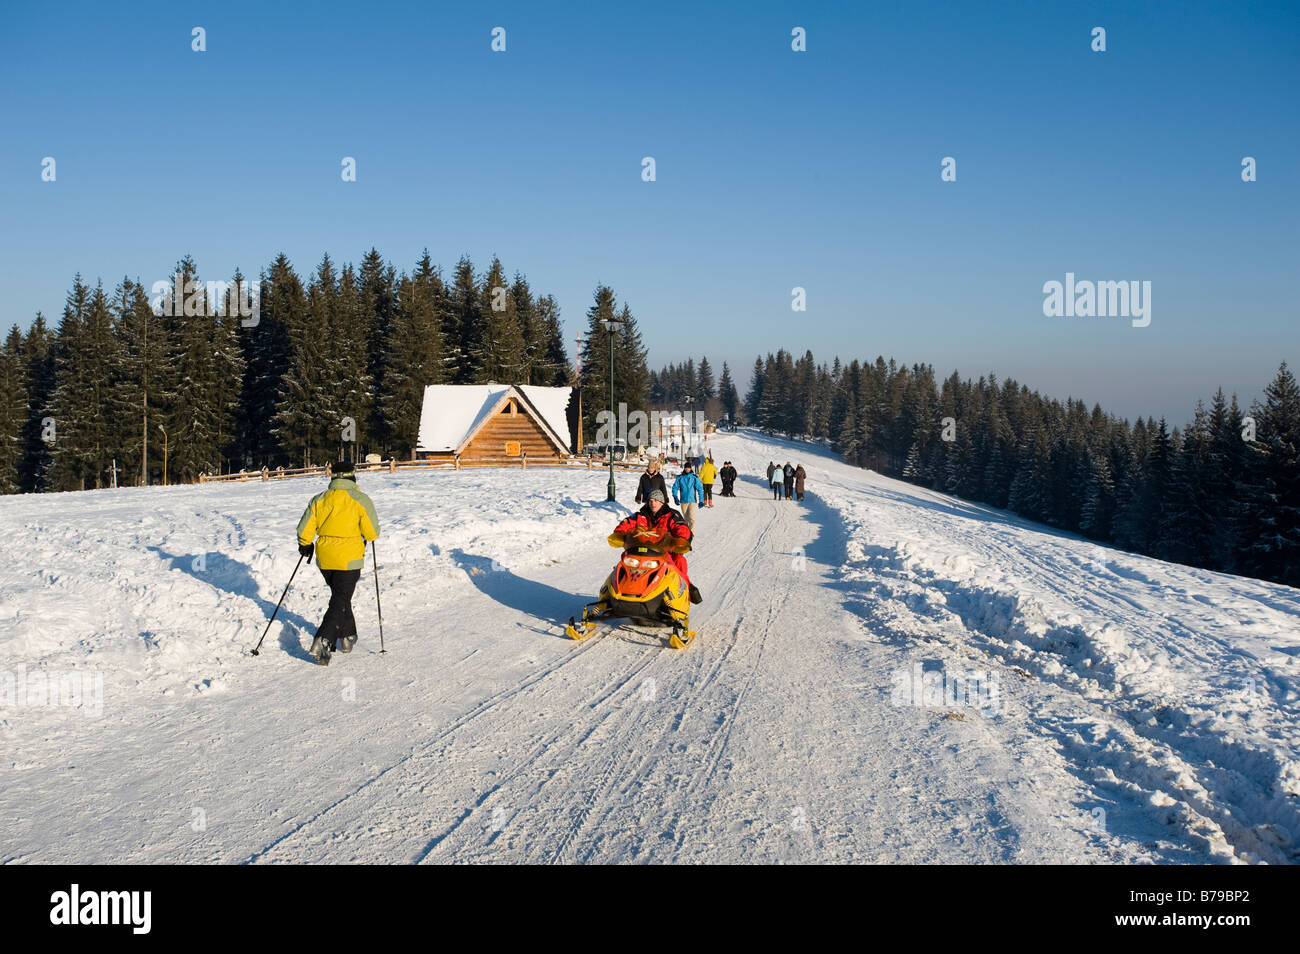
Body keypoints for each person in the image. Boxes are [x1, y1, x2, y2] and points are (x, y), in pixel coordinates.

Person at [296, 459, 380, 665]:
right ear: (353, 476)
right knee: (340, 599)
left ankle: (347, 636)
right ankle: (324, 639)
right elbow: (372, 533)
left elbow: (304, 529)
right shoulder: (360, 499)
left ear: (332, 476)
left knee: (341, 597)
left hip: (325, 559)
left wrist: (305, 544)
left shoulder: (319, 499)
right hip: (349, 558)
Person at [612, 489, 701, 603]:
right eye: (651, 501)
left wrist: (681, 540)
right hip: (640, 550)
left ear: (662, 502)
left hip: (663, 552)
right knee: (625, 558)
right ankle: (615, 589)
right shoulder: (640, 515)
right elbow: (627, 523)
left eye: (656, 501)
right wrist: (619, 533)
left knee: (679, 561)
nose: (653, 503)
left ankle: (686, 589)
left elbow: (682, 528)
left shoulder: (672, 515)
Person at [673, 459, 704, 530]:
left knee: (692, 518)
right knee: (686, 520)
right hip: (683, 501)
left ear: (690, 468)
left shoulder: (694, 478)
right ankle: (686, 534)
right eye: (686, 467)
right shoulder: (680, 478)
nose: (687, 469)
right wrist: (675, 497)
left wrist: (701, 500)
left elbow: (700, 489)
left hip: (692, 501)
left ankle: (692, 534)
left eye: (689, 467)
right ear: (684, 468)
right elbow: (675, 488)